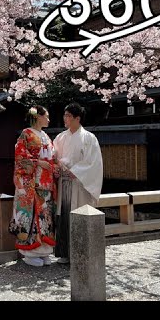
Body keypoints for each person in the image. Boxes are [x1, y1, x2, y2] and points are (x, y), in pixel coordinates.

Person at [52, 102, 103, 264]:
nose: (65, 119)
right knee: (64, 217)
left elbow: (93, 162)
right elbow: (54, 156)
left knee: (79, 217)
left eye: (68, 116)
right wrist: (56, 166)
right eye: (64, 115)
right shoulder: (60, 137)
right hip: (64, 182)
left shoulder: (88, 138)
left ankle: (81, 254)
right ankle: (65, 254)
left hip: (80, 184)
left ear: (77, 118)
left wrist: (75, 171)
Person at [9, 105, 59, 267]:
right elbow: (21, 157)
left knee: (46, 216)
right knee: (31, 216)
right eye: (47, 116)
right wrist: (39, 162)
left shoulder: (45, 135)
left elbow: (52, 157)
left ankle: (44, 251)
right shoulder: (26, 134)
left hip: (46, 183)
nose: (49, 119)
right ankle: (29, 253)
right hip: (31, 183)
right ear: (38, 117)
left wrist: (54, 166)